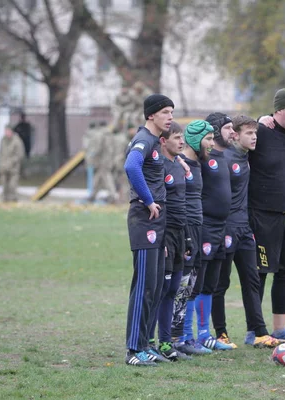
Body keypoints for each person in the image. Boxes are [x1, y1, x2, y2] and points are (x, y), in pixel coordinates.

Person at [212, 115, 285, 349]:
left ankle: (259, 332)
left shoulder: (248, 155)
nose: (255, 137)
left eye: (255, 132)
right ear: (234, 135)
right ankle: (221, 333)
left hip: (245, 229)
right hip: (225, 229)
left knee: (252, 280)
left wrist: (261, 119)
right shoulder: (224, 157)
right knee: (220, 283)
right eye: (249, 133)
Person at [249, 88, 285, 344]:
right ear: (279, 110)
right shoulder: (260, 132)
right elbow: (234, 134)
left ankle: (279, 328)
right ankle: (255, 330)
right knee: (260, 272)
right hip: (261, 214)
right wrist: (261, 118)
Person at [123, 94, 174, 366]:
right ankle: (133, 350)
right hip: (144, 219)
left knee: (154, 287)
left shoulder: (156, 141)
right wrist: (148, 199)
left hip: (158, 222)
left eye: (172, 112)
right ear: (151, 115)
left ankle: (145, 345)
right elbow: (131, 166)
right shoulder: (143, 138)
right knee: (143, 287)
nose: (170, 117)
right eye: (165, 112)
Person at [184, 112, 237, 352]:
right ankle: (187, 335)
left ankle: (205, 334)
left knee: (211, 284)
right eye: (227, 128)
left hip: (221, 227)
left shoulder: (224, 156)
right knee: (195, 283)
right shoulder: (200, 160)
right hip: (203, 227)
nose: (232, 132)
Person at [145, 121, 191, 362]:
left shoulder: (177, 164)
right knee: (161, 290)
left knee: (173, 289)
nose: (181, 141)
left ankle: (166, 342)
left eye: (182, 137)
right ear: (164, 141)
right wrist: (161, 237)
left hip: (179, 234)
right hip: (164, 233)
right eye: (176, 137)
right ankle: (151, 342)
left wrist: (187, 237)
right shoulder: (159, 166)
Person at [171, 120, 216, 356]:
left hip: (199, 228)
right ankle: (174, 338)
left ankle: (185, 338)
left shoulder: (199, 164)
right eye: (208, 139)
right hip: (184, 229)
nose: (211, 143)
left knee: (193, 286)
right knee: (181, 285)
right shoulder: (180, 164)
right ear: (195, 139)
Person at [87, 123, 117, 203]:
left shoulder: (101, 134)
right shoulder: (110, 135)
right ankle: (93, 194)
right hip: (109, 159)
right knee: (98, 177)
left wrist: (92, 156)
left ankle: (112, 195)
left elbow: (98, 147)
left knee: (106, 177)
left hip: (102, 160)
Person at [0, 125, 25, 202]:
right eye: (6, 131)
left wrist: (11, 162)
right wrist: (1, 163)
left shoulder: (17, 141)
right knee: (4, 185)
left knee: (12, 185)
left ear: (12, 131)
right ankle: (4, 200)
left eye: (8, 131)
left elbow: (20, 154)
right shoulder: (3, 140)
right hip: (3, 167)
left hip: (13, 168)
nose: (7, 133)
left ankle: (13, 200)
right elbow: (0, 153)